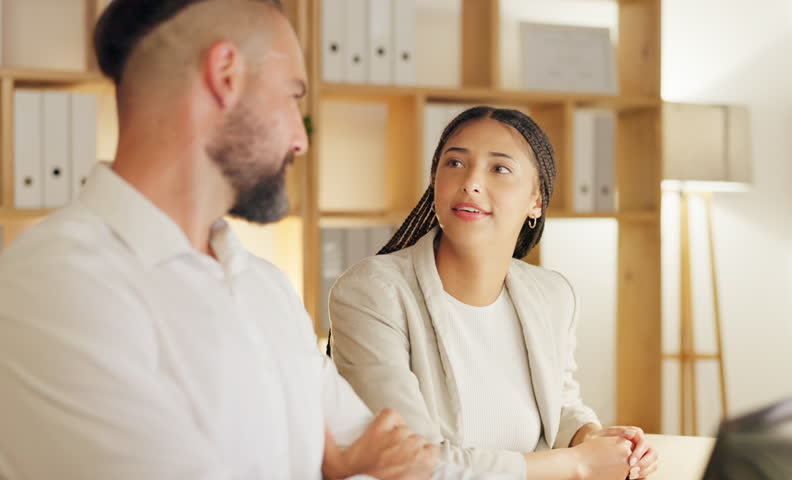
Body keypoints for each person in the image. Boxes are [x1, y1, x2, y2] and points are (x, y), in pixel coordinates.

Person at [0, 2, 507, 479]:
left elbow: (410, 461)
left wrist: (351, 466)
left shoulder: (266, 288)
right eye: (292, 96)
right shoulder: (54, 287)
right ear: (225, 76)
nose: (301, 140)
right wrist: (343, 468)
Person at [328, 107, 660, 480]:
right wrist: (577, 464)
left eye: (499, 169)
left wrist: (596, 438)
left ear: (536, 199)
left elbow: (561, 404)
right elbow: (414, 462)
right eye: (454, 163)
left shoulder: (553, 295)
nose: (470, 181)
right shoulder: (372, 293)